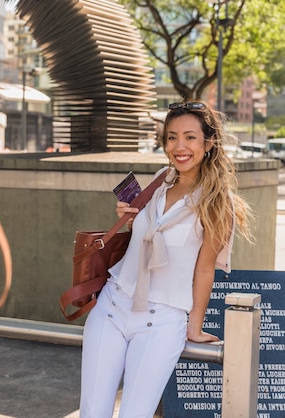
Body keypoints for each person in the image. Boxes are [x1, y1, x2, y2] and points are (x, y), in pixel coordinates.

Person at [79, 100, 253, 417]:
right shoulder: (161, 179)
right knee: (92, 411)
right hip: (112, 306)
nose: (179, 146)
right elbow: (148, 235)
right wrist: (131, 217)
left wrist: (195, 327)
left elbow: (203, 270)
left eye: (189, 137)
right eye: (171, 137)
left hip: (161, 321)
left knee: (135, 413)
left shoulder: (217, 203)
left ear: (209, 143)